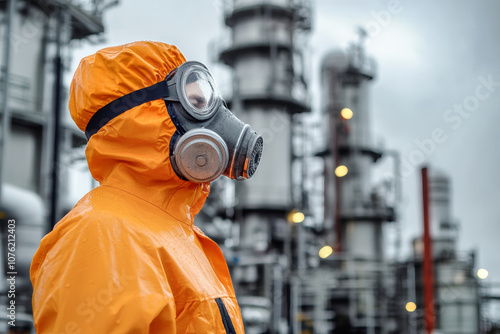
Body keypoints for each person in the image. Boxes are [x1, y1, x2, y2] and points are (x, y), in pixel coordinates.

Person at [30, 41, 263, 333]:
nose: (217, 121)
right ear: (142, 115)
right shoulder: (102, 234)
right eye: (197, 105)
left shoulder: (177, 235)